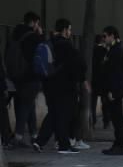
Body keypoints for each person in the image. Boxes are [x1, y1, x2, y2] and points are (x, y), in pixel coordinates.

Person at [32, 19, 86, 154]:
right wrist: (82, 79)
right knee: (63, 115)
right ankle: (63, 145)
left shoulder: (50, 42)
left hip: (49, 86)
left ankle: (39, 141)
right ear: (64, 30)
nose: (70, 32)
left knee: (54, 114)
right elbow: (77, 64)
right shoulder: (66, 45)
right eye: (69, 29)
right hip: (64, 86)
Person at [5, 11, 43, 147]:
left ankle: (34, 135)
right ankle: (18, 136)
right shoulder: (33, 37)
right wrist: (40, 34)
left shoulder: (14, 34)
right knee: (26, 105)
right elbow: (41, 53)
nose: (38, 25)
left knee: (26, 104)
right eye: (37, 23)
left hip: (15, 77)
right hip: (30, 77)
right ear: (33, 22)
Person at [100, 26, 123, 155]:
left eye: (105, 36)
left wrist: (112, 90)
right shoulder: (113, 49)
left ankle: (120, 145)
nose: (104, 39)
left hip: (114, 90)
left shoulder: (116, 51)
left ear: (112, 36)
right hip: (113, 89)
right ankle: (118, 143)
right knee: (116, 117)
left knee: (117, 118)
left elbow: (116, 73)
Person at [90, 34, 109, 129]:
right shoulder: (105, 51)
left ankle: (92, 121)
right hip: (103, 80)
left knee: (92, 103)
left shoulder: (91, 50)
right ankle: (106, 121)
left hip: (94, 79)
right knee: (105, 102)